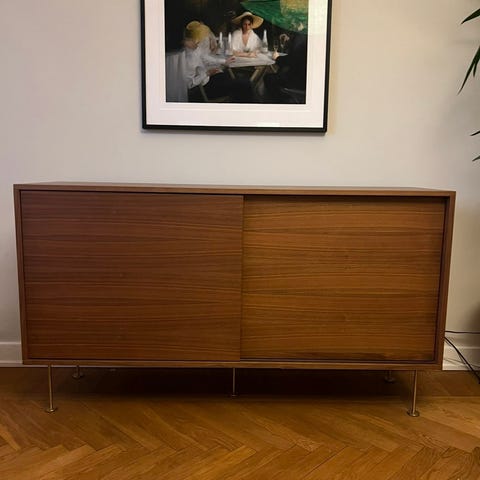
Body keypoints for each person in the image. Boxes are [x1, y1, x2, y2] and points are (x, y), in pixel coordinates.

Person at [183, 21, 253, 103]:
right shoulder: (189, 58)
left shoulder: (195, 49)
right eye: (200, 39)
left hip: (209, 79)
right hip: (204, 89)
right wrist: (207, 73)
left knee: (238, 80)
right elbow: (189, 84)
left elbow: (205, 58)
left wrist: (224, 61)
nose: (201, 42)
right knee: (243, 85)